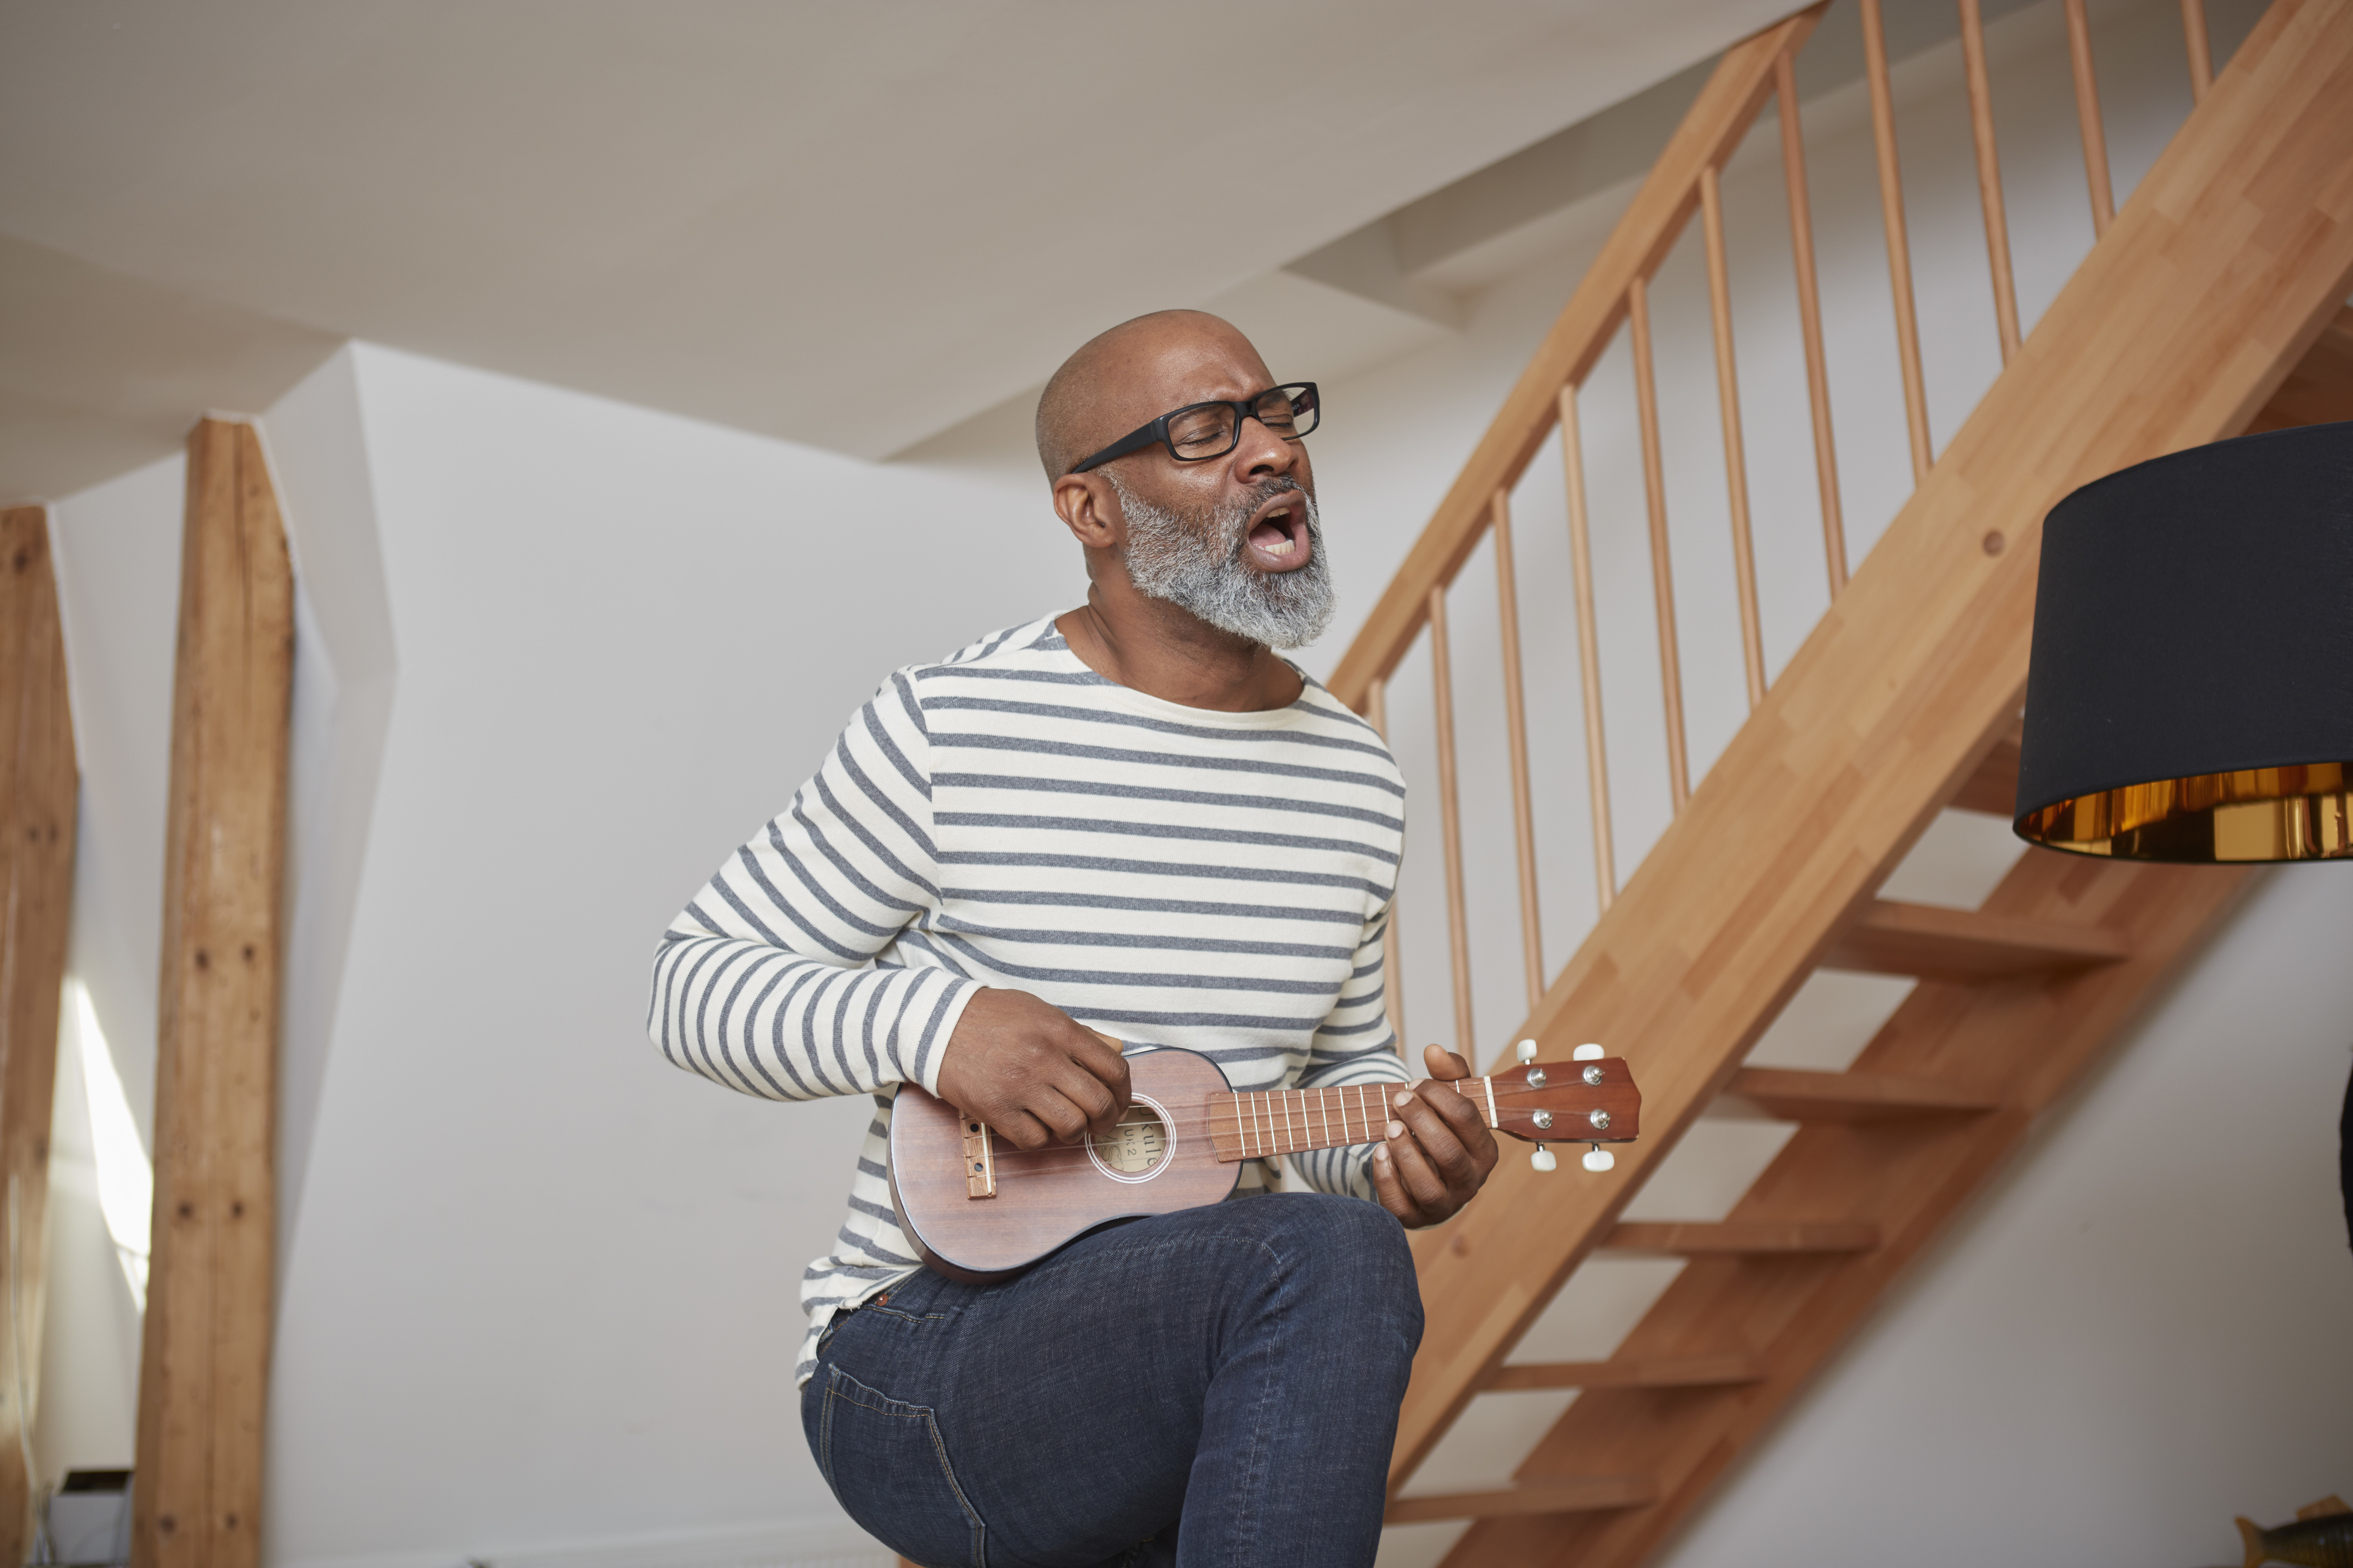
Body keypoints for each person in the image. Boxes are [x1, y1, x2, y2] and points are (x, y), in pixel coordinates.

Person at [647, 310, 1499, 1567]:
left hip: (1191, 1348)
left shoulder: (1357, 778)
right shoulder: (949, 723)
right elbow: (694, 986)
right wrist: (934, 1024)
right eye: (1205, 431)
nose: (1268, 451)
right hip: (918, 1352)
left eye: (1274, 412)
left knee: (1335, 1242)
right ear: (1089, 509)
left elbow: (1332, 1081)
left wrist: (1394, 1155)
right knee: (1324, 1259)